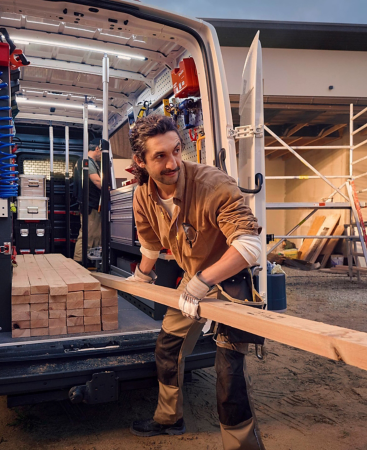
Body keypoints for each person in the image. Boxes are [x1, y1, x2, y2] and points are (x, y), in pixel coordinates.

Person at [126, 115, 265, 450]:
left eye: (177, 150)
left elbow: (249, 246)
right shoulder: (143, 196)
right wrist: (142, 277)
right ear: (140, 161)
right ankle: (169, 418)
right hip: (192, 279)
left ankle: (242, 446)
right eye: (160, 156)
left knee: (228, 373)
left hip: (230, 279)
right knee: (167, 347)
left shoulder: (212, 184)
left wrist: (202, 281)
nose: (173, 162)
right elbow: (150, 245)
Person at [73, 143, 102, 262]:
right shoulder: (87, 162)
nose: (101, 155)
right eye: (102, 152)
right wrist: (111, 189)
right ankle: (79, 263)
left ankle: (88, 262)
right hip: (90, 204)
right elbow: (96, 181)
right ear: (97, 148)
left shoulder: (84, 161)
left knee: (94, 234)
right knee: (88, 235)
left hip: (89, 203)